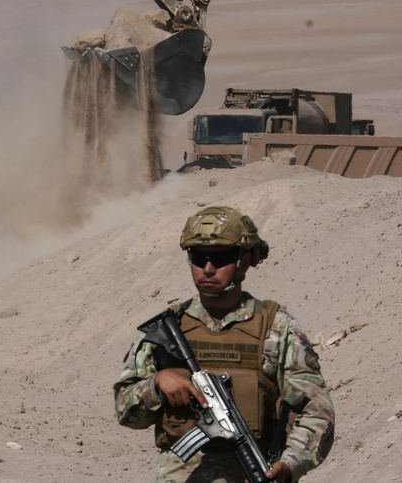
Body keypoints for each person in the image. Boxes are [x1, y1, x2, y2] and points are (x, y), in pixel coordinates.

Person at [114, 206, 334, 482]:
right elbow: (125, 411)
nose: (207, 268)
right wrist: (156, 383)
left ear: (245, 261)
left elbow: (317, 411)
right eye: (198, 257)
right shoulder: (170, 329)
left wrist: (289, 465)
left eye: (220, 258)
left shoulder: (276, 328)